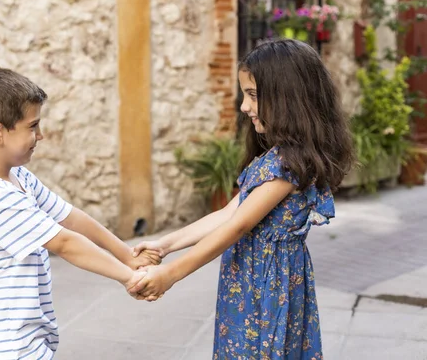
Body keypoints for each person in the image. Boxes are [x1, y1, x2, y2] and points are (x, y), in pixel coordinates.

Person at [130, 39, 354, 359]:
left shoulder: (287, 164)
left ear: (288, 98)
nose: (244, 107)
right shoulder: (273, 157)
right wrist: (165, 245)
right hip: (251, 280)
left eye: (252, 95)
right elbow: (227, 213)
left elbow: (237, 226)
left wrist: (171, 274)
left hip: (266, 286)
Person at [0, 68, 159, 360]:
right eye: (32, 126)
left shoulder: (19, 177)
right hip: (6, 345)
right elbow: (66, 243)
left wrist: (127, 254)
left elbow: (69, 217)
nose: (40, 135)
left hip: (26, 337)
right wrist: (129, 278)